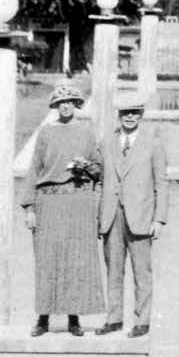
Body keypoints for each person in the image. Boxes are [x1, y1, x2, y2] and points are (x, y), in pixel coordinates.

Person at [20, 82, 104, 337]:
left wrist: (86, 166)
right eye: (61, 103)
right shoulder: (46, 132)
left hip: (78, 200)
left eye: (70, 102)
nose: (66, 106)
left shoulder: (88, 132)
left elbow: (99, 169)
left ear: (77, 105)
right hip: (49, 201)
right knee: (47, 259)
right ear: (55, 107)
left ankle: (73, 318)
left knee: (76, 260)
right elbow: (34, 168)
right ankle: (43, 318)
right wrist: (29, 207)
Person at [97, 93, 169, 338]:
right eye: (125, 113)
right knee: (113, 271)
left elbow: (162, 184)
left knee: (142, 273)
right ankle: (114, 319)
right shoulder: (107, 142)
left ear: (141, 115)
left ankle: (142, 321)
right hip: (111, 217)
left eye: (134, 113)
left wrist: (158, 219)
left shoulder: (153, 143)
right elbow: (99, 178)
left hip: (141, 218)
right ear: (118, 115)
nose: (129, 117)